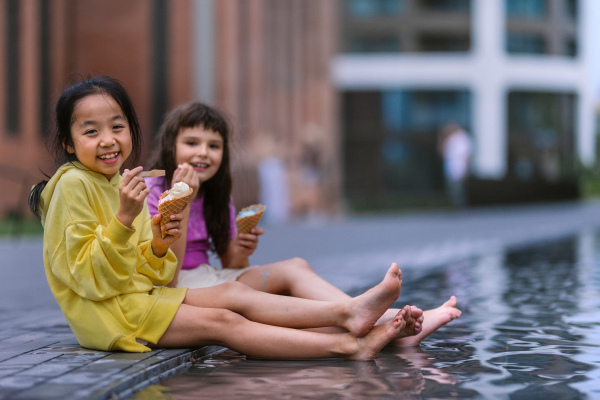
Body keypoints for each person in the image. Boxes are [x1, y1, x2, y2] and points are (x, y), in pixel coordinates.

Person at [28, 75, 421, 359]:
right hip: (108, 315)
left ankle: (351, 315)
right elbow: (87, 278)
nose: (109, 140)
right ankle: (349, 341)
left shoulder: (119, 183)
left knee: (234, 294)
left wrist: (161, 241)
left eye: (118, 127)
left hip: (139, 297)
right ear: (68, 142)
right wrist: (125, 220)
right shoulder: (72, 187)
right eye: (91, 131)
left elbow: (155, 274)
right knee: (224, 322)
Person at [146, 101, 461, 345]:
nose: (203, 153)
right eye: (192, 143)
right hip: (177, 286)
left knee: (295, 266)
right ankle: (390, 321)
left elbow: (232, 263)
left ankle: (371, 316)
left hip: (211, 278)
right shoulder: (154, 191)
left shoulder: (217, 195)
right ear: (171, 147)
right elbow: (167, 277)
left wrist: (243, 248)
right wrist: (181, 201)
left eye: (213, 146)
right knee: (271, 307)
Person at [439, 123, 473, 209]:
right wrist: (441, 139)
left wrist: (466, 170)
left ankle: (462, 208)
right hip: (450, 169)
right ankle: (455, 208)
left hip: (460, 169)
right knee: (452, 190)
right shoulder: (450, 139)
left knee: (459, 191)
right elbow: (443, 154)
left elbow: (468, 156)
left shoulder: (463, 138)